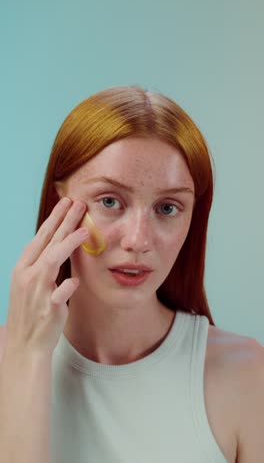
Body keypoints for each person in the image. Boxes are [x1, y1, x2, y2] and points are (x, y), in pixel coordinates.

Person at [0, 85, 263, 463]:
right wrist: (27, 358)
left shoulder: (247, 374)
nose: (138, 240)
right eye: (109, 201)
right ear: (59, 205)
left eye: (168, 208)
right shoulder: (8, 361)